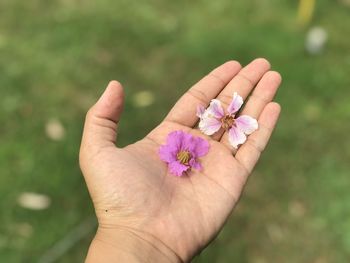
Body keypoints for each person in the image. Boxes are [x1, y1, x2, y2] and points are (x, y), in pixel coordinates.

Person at [79, 58, 282, 262]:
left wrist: (130, 234)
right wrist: (132, 232)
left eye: (229, 120)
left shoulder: (204, 141)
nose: (228, 121)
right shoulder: (180, 152)